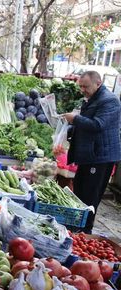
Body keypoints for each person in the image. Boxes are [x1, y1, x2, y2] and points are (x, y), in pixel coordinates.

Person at [63, 71, 121, 233]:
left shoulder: (110, 101)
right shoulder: (93, 98)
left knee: (90, 195)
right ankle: (77, 228)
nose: (82, 89)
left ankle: (85, 231)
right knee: (80, 192)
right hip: (89, 155)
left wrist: (75, 119)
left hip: (100, 157)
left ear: (98, 83)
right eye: (80, 86)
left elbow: (98, 125)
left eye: (86, 86)